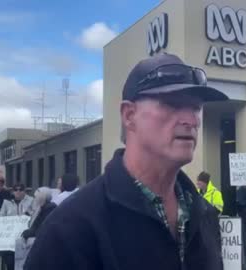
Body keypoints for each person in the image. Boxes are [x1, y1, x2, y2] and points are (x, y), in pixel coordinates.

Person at [24, 53, 228, 270]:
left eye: (196, 108)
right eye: (173, 104)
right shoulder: (71, 226)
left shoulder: (204, 215)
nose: (192, 120)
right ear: (129, 115)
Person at [0, 183, 34, 270]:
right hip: (10, 237)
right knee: (10, 262)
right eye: (15, 189)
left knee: (24, 261)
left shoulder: (31, 200)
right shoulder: (7, 202)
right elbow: (0, 217)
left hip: (24, 236)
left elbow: (35, 215)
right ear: (12, 191)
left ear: (24, 191)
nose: (18, 191)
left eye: (20, 189)